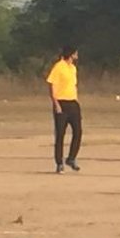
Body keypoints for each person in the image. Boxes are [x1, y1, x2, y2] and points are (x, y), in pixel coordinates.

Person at [46, 45, 82, 174]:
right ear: (71, 54)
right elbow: (51, 84)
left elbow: (73, 86)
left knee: (78, 132)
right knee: (60, 134)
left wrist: (76, 100)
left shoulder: (73, 68)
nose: (77, 56)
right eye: (75, 53)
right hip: (61, 103)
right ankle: (59, 163)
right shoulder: (59, 66)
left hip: (73, 103)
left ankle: (71, 158)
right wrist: (56, 103)